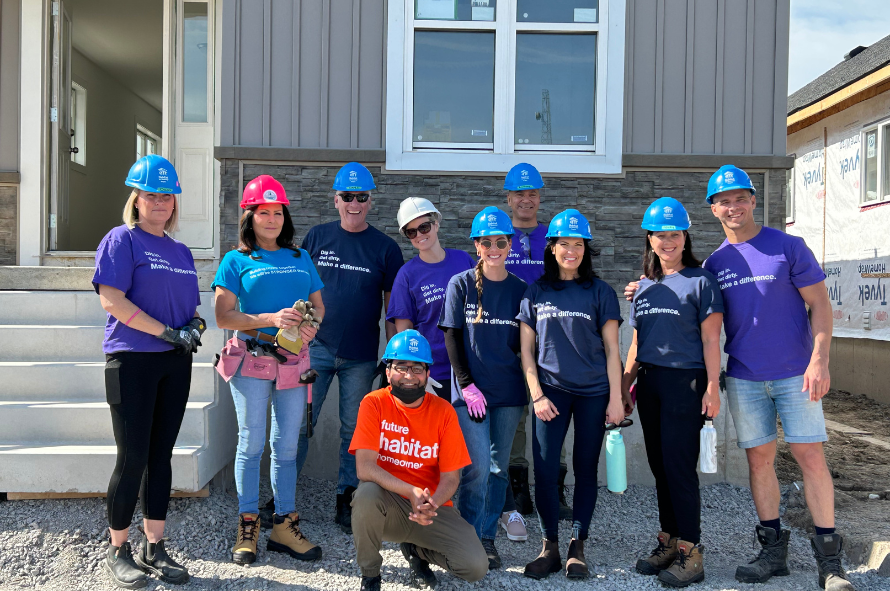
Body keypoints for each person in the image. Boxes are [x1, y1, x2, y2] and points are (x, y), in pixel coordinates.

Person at [625, 165, 853, 591]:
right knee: (759, 462)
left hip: (796, 374)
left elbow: (820, 305)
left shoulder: (788, 246)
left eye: (740, 197)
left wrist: (819, 359)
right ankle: (772, 553)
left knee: (810, 459)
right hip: (745, 377)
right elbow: (685, 303)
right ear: (713, 209)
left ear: (753, 199)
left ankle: (830, 561)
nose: (733, 206)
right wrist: (645, 289)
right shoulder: (715, 264)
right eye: (723, 200)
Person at [93, 155, 202, 588]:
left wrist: (192, 326)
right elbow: (112, 300)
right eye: (151, 194)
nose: (160, 202)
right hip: (133, 359)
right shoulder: (122, 240)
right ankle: (117, 548)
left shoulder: (180, 251)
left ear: (174, 203)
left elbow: (188, 309)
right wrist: (166, 333)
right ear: (136, 199)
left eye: (166, 195)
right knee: (133, 456)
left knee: (161, 456)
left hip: (175, 363)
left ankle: (153, 545)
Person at [212, 175, 325, 565]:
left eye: (278, 212)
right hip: (251, 359)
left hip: (294, 361)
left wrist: (312, 326)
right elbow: (223, 315)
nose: (272, 219)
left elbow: (319, 307)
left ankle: (283, 524)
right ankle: (248, 526)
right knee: (251, 443)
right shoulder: (236, 260)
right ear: (250, 216)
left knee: (287, 446)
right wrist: (268, 318)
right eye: (264, 212)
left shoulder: (300, 258)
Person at [621, 197, 724, 587]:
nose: (668, 242)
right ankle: (669, 540)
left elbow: (712, 340)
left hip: (687, 383)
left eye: (675, 234)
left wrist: (712, 387)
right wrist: (625, 386)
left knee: (679, 468)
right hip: (649, 383)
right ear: (649, 239)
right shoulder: (644, 287)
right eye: (660, 235)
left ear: (686, 237)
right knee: (660, 466)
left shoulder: (702, 281)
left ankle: (691, 553)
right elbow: (636, 343)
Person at [517, 209, 624, 580]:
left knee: (585, 470)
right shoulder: (536, 292)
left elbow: (613, 350)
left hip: (594, 393)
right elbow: (527, 352)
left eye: (578, 244)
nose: (571, 250)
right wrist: (537, 395)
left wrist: (615, 398)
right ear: (552, 247)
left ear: (585, 248)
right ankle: (549, 546)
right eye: (564, 243)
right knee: (545, 472)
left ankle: (578, 545)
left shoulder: (601, 292)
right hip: (551, 394)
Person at [298, 162, 404, 534]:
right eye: (347, 197)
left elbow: (395, 307)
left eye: (361, 197)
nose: (354, 203)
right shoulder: (316, 237)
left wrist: (394, 354)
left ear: (371, 201)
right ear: (336, 200)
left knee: (353, 432)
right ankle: (283, 501)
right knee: (299, 424)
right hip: (317, 349)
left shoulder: (385, 248)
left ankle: (348, 498)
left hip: (361, 355)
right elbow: (299, 290)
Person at [349, 330, 488, 591]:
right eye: (401, 367)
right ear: (388, 371)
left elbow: (451, 477)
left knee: (475, 567)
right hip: (388, 505)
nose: (410, 376)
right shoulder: (373, 403)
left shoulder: (444, 411)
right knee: (366, 494)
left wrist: (431, 502)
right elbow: (364, 467)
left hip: (430, 508)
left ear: (428, 373)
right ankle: (370, 575)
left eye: (417, 368)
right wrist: (409, 491)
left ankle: (417, 551)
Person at [438, 206, 528, 567]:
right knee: (474, 469)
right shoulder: (460, 284)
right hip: (470, 394)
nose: (494, 248)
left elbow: (528, 345)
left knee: (498, 469)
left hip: (508, 394)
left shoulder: (521, 289)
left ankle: (487, 538)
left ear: (510, 245)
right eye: (486, 241)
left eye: (501, 242)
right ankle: (467, 536)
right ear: (476, 244)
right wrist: (466, 385)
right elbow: (452, 337)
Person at [500, 163, 572, 528]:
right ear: (508, 198)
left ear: (539, 197)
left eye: (532, 193)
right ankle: (517, 490)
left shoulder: (553, 236)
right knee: (515, 417)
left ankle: (553, 490)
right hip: (508, 339)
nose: (526, 200)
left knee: (551, 414)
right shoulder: (498, 235)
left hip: (551, 341)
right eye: (519, 194)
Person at [386, 197, 475, 400]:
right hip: (434, 374)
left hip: (470, 370)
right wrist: (418, 374)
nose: (419, 235)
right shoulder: (407, 275)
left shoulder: (464, 260)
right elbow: (405, 332)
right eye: (411, 231)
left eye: (424, 227)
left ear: (436, 224)